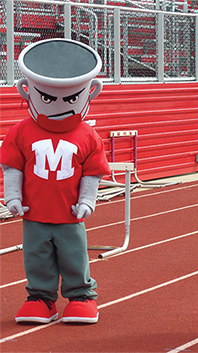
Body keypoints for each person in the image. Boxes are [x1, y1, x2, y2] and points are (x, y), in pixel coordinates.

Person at [2, 39, 110, 324]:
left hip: (69, 216)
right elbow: (12, 168)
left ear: (91, 91)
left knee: (74, 256)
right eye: (47, 97)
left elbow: (92, 172)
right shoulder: (20, 131)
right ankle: (41, 298)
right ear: (26, 90)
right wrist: (12, 197)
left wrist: (87, 200)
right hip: (34, 215)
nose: (59, 104)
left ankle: (81, 297)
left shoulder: (88, 136)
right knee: (36, 257)